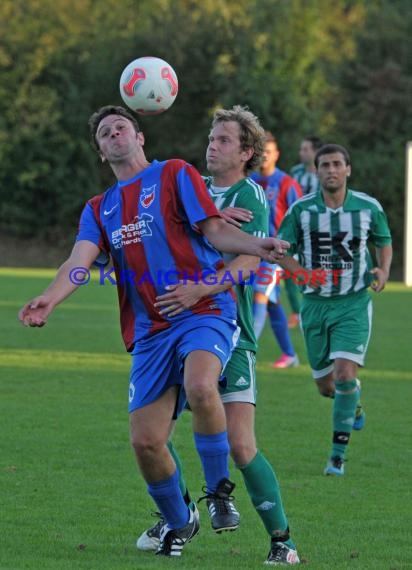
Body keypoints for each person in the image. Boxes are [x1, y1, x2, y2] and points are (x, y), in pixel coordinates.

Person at [18, 105, 291, 557]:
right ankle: (180, 520)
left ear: (140, 136)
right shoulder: (99, 208)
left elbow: (217, 231)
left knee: (203, 384)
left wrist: (257, 245)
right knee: (145, 442)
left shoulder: (175, 174)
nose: (113, 134)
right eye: (104, 132)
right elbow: (78, 261)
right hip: (150, 331)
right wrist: (50, 296)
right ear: (101, 151)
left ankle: (220, 492)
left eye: (121, 126)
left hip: (204, 310)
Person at [137, 106, 300, 565]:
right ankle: (179, 511)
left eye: (224, 140)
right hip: (174, 326)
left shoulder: (253, 193)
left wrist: (200, 288)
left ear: (248, 152)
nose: (212, 145)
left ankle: (282, 540)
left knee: (241, 444)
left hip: (230, 330)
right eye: (211, 137)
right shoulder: (195, 188)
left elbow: (248, 263)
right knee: (152, 434)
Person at [278, 143, 392, 475]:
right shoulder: (301, 211)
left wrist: (383, 270)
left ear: (348, 169)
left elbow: (383, 241)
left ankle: (337, 456)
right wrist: (299, 272)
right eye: (324, 165)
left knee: (345, 373)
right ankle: (353, 406)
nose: (331, 170)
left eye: (337, 164)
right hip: (313, 306)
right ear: (316, 171)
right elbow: (281, 250)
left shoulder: (368, 207)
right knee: (327, 386)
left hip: (353, 303)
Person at [250, 132, 302, 368]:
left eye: (268, 152)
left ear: (276, 155)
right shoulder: (249, 180)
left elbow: (300, 217)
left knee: (259, 296)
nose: (264, 157)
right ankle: (289, 355)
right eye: (260, 152)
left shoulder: (287, 183)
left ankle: (247, 350)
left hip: (275, 255)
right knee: (271, 303)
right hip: (251, 250)